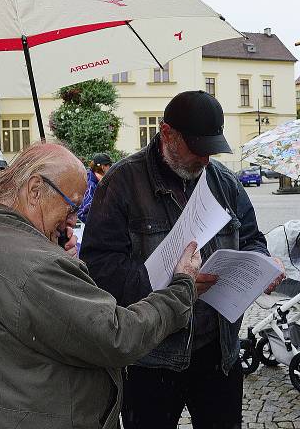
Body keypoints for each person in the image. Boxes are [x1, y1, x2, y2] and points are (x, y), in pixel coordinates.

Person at [0, 142, 202, 429]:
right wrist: (181, 288)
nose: (73, 220)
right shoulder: (37, 266)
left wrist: (50, 248)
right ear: (34, 190)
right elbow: (117, 335)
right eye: (71, 207)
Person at [80, 90, 283, 429]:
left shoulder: (225, 183)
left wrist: (263, 264)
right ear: (167, 133)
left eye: (211, 149)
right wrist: (176, 284)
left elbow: (251, 239)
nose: (205, 159)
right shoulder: (121, 183)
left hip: (218, 352)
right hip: (151, 355)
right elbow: (99, 267)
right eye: (197, 148)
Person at [77, 152, 113, 223]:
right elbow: (82, 213)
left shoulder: (97, 181)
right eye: (109, 166)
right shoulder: (90, 185)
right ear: (103, 167)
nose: (111, 169)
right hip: (94, 228)